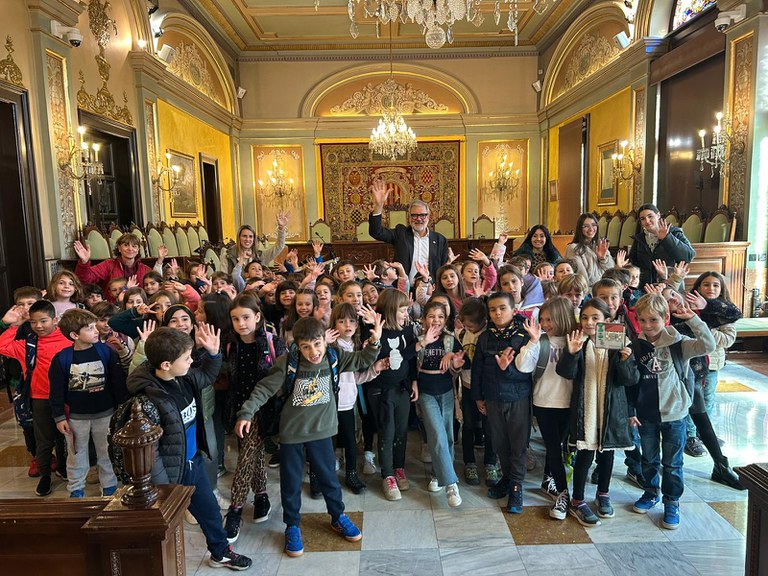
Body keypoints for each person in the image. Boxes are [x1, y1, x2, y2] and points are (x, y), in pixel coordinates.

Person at [234, 316, 384, 558]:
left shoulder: (334, 357)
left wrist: (375, 342)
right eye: (306, 347)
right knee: (291, 482)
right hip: (292, 434)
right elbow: (265, 388)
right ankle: (292, 525)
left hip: (323, 432)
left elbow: (362, 360)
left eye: (317, 344)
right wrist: (247, 412)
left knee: (329, 479)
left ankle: (337, 516)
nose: (313, 352)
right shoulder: (288, 363)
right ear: (297, 346)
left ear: (325, 340)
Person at [124, 326, 252, 570]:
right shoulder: (149, 399)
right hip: (172, 471)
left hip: (193, 461)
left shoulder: (183, 377)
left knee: (210, 512)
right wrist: (164, 485)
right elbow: (152, 450)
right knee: (168, 525)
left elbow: (205, 377)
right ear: (166, 364)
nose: (191, 361)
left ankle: (220, 553)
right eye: (186, 358)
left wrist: (213, 354)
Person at [630, 294, 715, 530]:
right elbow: (630, 381)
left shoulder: (679, 343)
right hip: (646, 414)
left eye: (653, 320)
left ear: (665, 318)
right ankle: (650, 492)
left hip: (675, 414)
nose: (648, 325)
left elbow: (708, 345)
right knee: (649, 459)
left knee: (673, 463)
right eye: (642, 320)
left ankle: (672, 501)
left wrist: (693, 320)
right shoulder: (635, 345)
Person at [556, 298, 637, 527]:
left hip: (611, 410)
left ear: (607, 320)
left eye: (595, 318)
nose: (589, 322)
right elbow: (566, 373)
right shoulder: (578, 342)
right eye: (585, 317)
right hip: (587, 410)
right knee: (584, 455)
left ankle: (603, 493)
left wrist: (625, 361)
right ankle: (578, 499)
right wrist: (571, 353)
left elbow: (630, 380)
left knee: (607, 454)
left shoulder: (621, 343)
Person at [223, 293, 286, 543]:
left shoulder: (271, 341)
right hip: (240, 408)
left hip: (263, 408)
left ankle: (235, 509)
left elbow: (283, 373)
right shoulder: (230, 343)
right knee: (253, 454)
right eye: (236, 319)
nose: (241, 323)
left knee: (245, 458)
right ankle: (261, 495)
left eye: (246, 317)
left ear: (257, 317)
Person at [472, 292, 539, 514]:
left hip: (517, 398)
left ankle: (517, 486)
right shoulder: (485, 337)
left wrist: (506, 369)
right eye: (493, 310)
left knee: (518, 445)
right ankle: (508, 478)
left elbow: (527, 371)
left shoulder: (523, 335)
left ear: (513, 310)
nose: (498, 313)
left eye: (502, 308)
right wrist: (478, 396)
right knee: (499, 442)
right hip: (493, 398)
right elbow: (478, 370)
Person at [49, 309, 126, 498]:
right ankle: (76, 488)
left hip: (105, 413)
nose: (96, 331)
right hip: (75, 417)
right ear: (75, 335)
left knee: (106, 451)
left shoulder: (105, 351)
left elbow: (117, 382)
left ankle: (109, 486)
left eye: (94, 326)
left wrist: (121, 408)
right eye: (90, 328)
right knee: (76, 454)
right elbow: (56, 391)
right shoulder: (62, 359)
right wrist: (59, 417)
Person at [0, 300, 71, 496]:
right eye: (33, 322)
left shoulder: (68, 340)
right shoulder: (29, 344)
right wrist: (14, 325)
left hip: (66, 398)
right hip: (39, 397)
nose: (38, 326)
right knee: (43, 439)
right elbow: (3, 346)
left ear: (55, 320)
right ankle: (45, 474)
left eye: (43, 321)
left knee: (65, 437)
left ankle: (63, 467)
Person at [415, 300, 465, 507]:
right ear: (424, 319)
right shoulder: (418, 338)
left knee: (448, 436)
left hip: (445, 392)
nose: (436, 320)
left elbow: (464, 361)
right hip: (426, 393)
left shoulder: (450, 340)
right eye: (431, 316)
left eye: (440, 317)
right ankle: (451, 484)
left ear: (446, 320)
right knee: (436, 434)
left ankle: (437, 473)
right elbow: (409, 359)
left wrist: (453, 356)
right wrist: (423, 343)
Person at [531, 297, 577, 518]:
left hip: (568, 403)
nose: (545, 324)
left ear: (563, 318)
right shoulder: (540, 340)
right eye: (543, 319)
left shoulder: (574, 340)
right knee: (552, 447)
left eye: (550, 319)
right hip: (543, 401)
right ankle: (563, 492)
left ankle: (549, 480)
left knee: (560, 445)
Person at [368, 179, 449, 282]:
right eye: (414, 215)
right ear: (409, 218)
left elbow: (443, 269)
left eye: (422, 215)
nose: (418, 219)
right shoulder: (400, 233)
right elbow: (376, 232)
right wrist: (378, 206)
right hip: (403, 288)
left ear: (429, 217)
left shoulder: (440, 240)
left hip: (430, 288)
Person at [74, 234, 163, 301]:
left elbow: (156, 285)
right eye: (126, 245)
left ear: (138, 250)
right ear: (119, 248)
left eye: (134, 246)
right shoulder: (108, 265)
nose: (130, 249)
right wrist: (84, 262)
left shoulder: (145, 269)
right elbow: (85, 279)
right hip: (112, 309)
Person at [628, 203, 695, 289]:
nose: (647, 221)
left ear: (658, 215)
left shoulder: (674, 233)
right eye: (643, 219)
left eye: (650, 216)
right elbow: (634, 262)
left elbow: (688, 256)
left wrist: (666, 238)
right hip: (646, 287)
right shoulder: (639, 239)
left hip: (670, 285)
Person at [224, 216, 288, 272]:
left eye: (250, 237)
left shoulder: (260, 256)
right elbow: (223, 277)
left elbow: (279, 247)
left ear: (254, 239)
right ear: (239, 238)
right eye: (244, 236)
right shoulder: (228, 255)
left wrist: (281, 228)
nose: (248, 239)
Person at [565, 213, 614, 285]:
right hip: (588, 288)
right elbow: (581, 277)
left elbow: (611, 271)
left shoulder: (600, 245)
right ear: (580, 228)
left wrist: (603, 259)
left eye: (594, 225)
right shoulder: (573, 248)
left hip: (605, 286)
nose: (591, 229)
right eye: (586, 226)